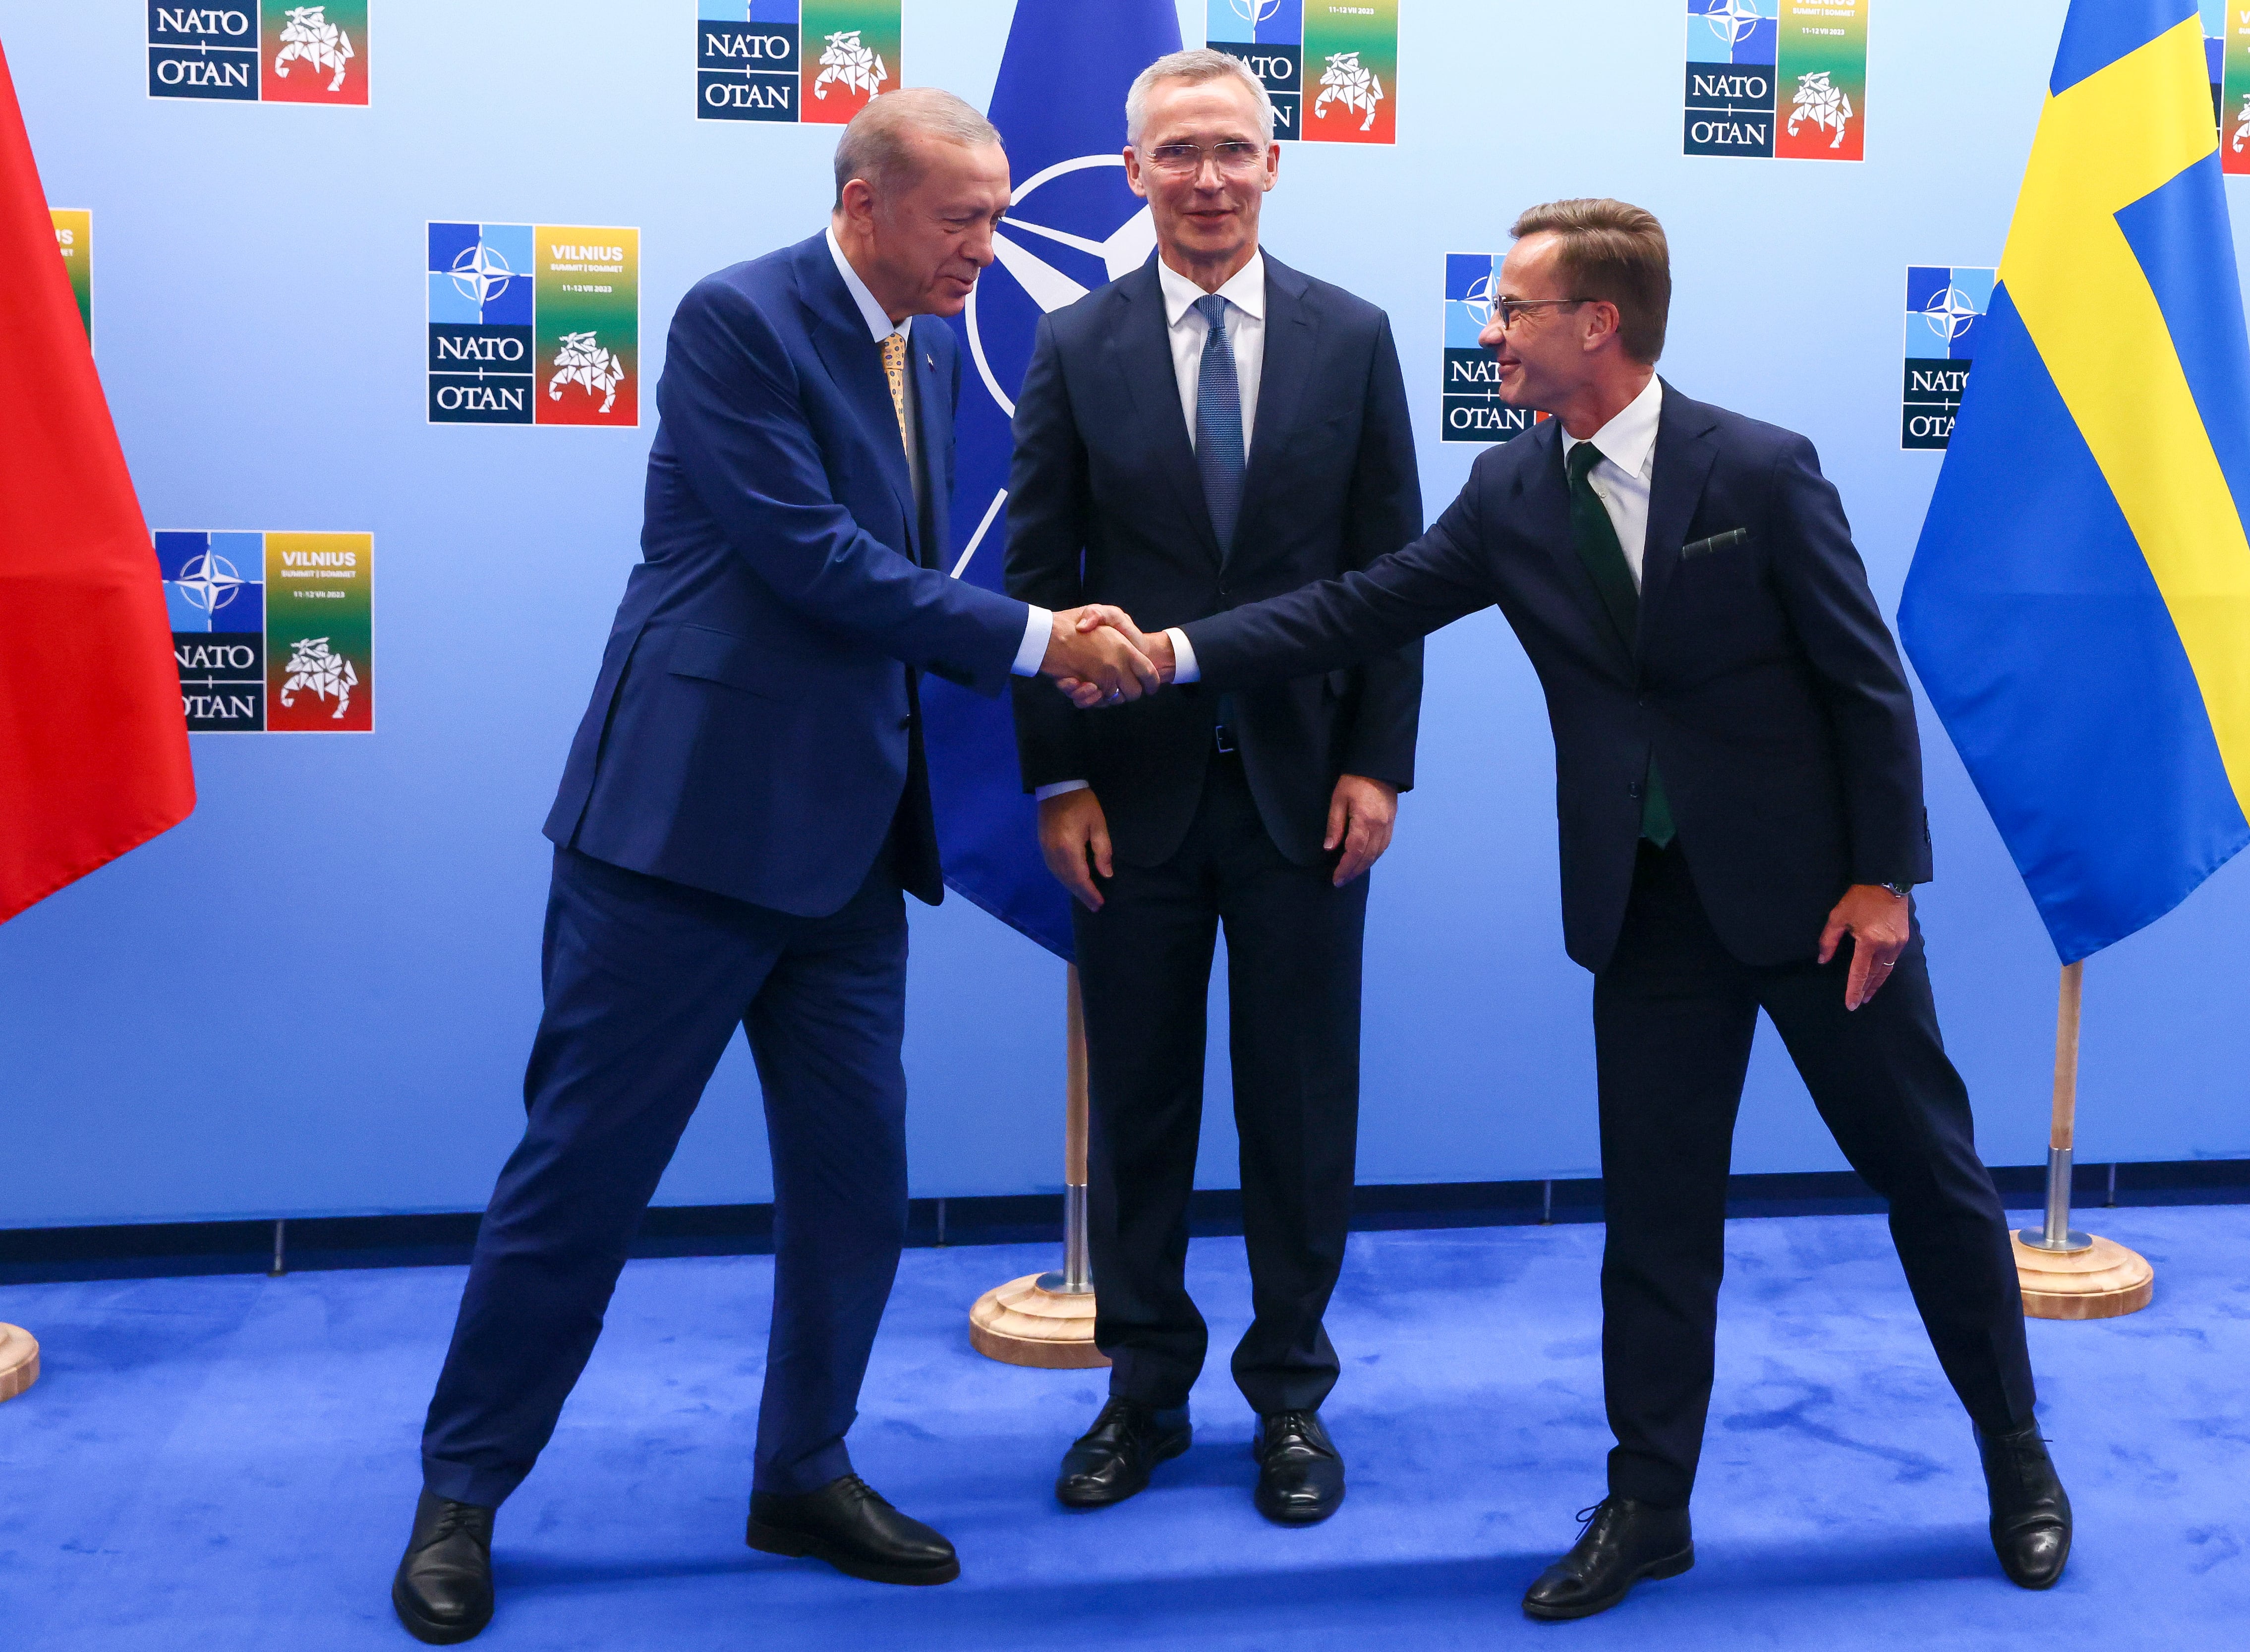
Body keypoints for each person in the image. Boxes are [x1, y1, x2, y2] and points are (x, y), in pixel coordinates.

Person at [1070, 198, 2072, 1619]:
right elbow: (1356, 608)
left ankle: (2017, 1455)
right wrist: (1171, 654)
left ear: (1596, 324)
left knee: (1931, 1179)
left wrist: (1883, 878)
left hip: (1819, 910)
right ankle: (1649, 1506)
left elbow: (1865, 687)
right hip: (1645, 913)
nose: (1490, 335)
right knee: (1656, 1225)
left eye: (1512, 311)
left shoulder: (1763, 469)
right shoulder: (1512, 492)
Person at [389, 90, 1158, 1646]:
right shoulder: (736, 318)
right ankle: (462, 1494)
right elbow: (813, 558)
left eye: (1002, 215)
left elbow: (905, 572)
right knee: (580, 1183)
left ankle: (801, 1472)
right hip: (680, 838)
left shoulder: (937, 340)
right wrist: (1037, 642)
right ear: (865, 203)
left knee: (854, 1191)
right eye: (963, 219)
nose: (988, 250)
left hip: (852, 852)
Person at [1004, 49, 1423, 1528]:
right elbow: (1037, 584)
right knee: (1144, 1112)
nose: (1206, 177)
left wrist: (1381, 760)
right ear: (1133, 173)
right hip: (1132, 803)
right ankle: (1145, 1394)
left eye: (1233, 149)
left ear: (1273, 163)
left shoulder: (1356, 337)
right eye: (1176, 152)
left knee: (1303, 1111)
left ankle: (1292, 1401)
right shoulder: (1073, 343)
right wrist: (1054, 778)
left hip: (1311, 798)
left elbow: (1394, 579)